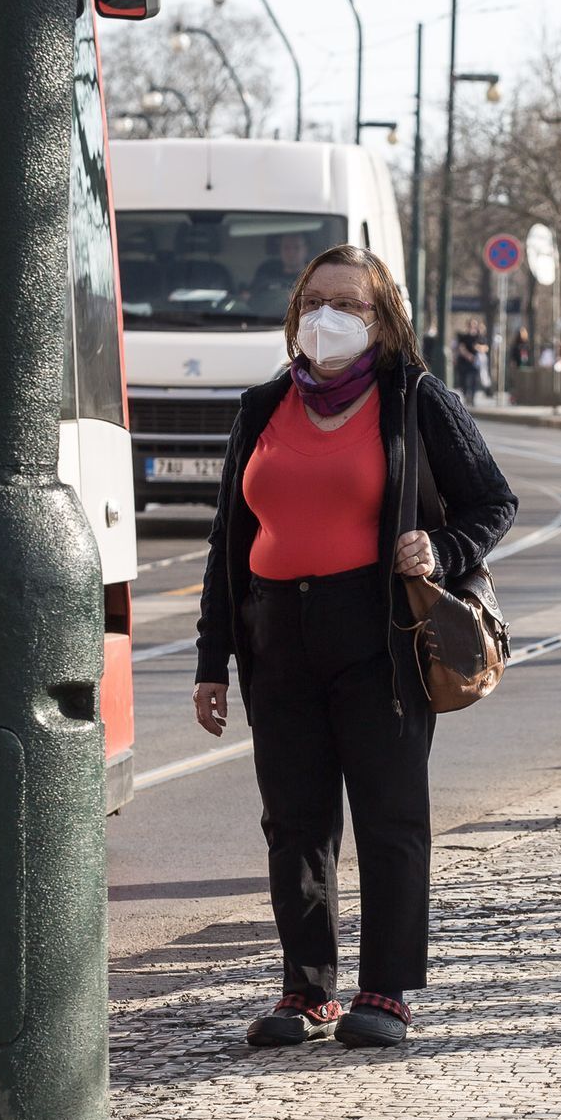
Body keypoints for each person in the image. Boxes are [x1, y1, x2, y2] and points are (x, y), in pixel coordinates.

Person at [192, 244, 517, 1050]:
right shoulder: (263, 405)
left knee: (389, 814)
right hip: (275, 635)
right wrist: (213, 659)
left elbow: (493, 501)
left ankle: (387, 989)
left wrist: (442, 548)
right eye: (314, 301)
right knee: (294, 820)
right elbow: (228, 543)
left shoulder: (416, 398)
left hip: (378, 635)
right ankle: (306, 988)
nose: (326, 317)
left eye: (349, 304)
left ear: (384, 320)